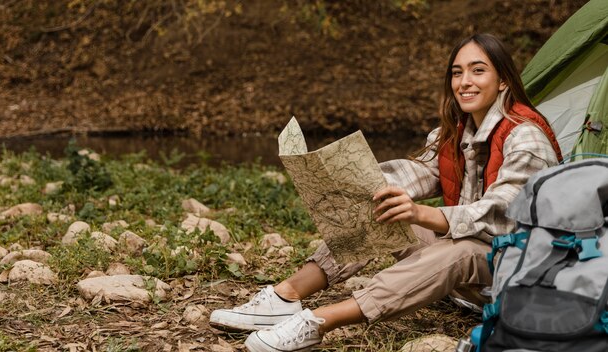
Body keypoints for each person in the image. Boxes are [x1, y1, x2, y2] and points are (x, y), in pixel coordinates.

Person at [210, 33, 562, 352]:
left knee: (461, 250)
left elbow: (503, 214)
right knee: (379, 205)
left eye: (477, 71)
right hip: (473, 275)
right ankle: (287, 296)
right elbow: (415, 172)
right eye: (457, 73)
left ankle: (319, 322)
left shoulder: (526, 137)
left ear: (502, 80)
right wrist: (346, 183)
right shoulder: (457, 132)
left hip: (517, 274)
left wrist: (422, 214)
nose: (464, 82)